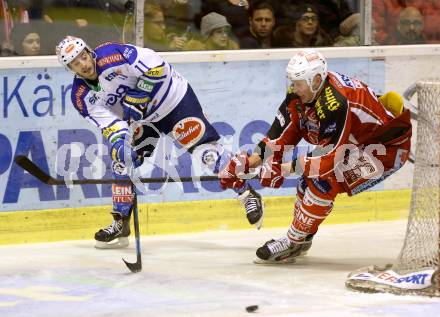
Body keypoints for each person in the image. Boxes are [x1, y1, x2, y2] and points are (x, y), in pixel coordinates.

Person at [55, 35, 263, 249]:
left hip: (173, 101)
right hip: (143, 121)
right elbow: (111, 125)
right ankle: (121, 222)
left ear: (89, 52)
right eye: (75, 62)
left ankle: (247, 194)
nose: (83, 64)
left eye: (83, 56)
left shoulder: (112, 55)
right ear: (70, 68)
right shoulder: (80, 96)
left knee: (206, 153)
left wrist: (137, 98)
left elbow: (157, 68)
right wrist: (120, 144)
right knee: (121, 161)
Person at [219, 49, 412, 263]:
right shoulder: (305, 92)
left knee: (322, 180)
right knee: (308, 181)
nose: (293, 87)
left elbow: (328, 159)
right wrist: (250, 161)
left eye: (299, 82)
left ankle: (294, 241)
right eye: (292, 81)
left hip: (385, 149)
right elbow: (282, 134)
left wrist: (284, 168)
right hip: (355, 143)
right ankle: (302, 238)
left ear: (317, 79)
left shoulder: (335, 103)